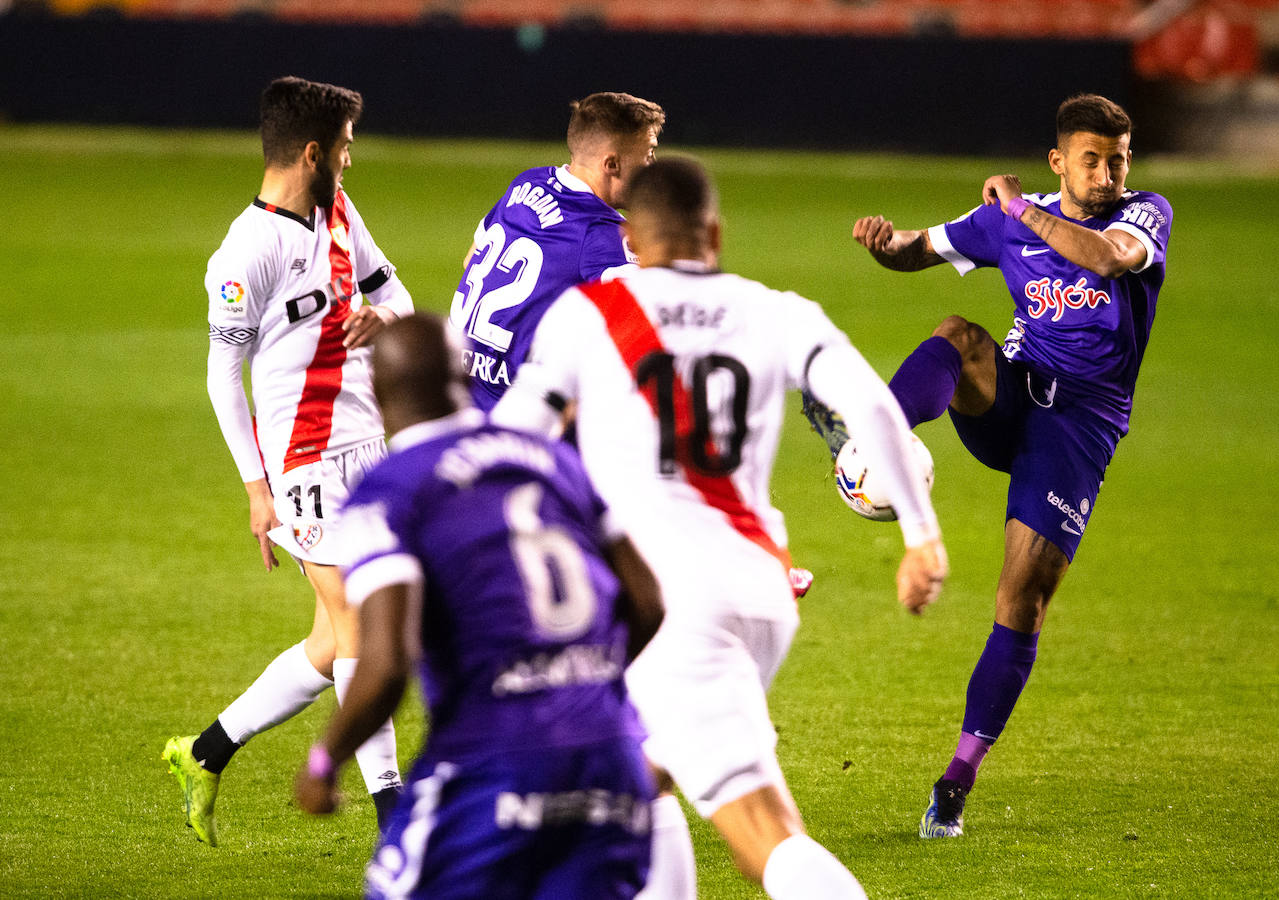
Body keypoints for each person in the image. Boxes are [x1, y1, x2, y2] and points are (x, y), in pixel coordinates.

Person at [492, 157, 948, 899]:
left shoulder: (590, 313)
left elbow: (515, 440)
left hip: (665, 606)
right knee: (636, 784)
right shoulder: (777, 310)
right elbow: (872, 407)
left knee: (764, 835)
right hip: (757, 590)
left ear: (630, 238)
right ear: (715, 232)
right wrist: (920, 535)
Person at [848, 93, 1172, 838]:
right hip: (1016, 395)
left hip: (1079, 427)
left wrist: (1020, 212)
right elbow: (918, 246)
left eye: (1118, 158)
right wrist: (882, 242)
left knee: (1019, 600)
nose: (1107, 173)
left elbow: (1104, 256)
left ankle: (956, 780)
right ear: (1059, 161)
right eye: (1091, 159)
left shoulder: (1144, 215)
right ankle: (877, 443)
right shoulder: (1012, 215)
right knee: (959, 335)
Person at [295, 312, 665, 899]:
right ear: (464, 377)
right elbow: (647, 602)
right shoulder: (555, 460)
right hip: (610, 759)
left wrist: (324, 761)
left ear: (377, 393)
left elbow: (386, 661)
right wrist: (585, 683)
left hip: (491, 762)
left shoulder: (389, 491)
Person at [163, 75, 412, 846]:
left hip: (369, 445)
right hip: (304, 464)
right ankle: (393, 816)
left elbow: (391, 289)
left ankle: (203, 752)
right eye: (344, 148)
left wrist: (385, 316)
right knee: (364, 632)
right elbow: (220, 376)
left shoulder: (338, 210)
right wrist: (256, 489)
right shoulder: (246, 251)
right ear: (313, 152)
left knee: (334, 644)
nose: (350, 160)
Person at [448, 91, 665, 411]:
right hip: (510, 416)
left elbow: (471, 258)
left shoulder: (526, 183)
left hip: (455, 389)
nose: (653, 166)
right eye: (648, 154)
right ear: (612, 164)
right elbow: (654, 323)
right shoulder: (602, 233)